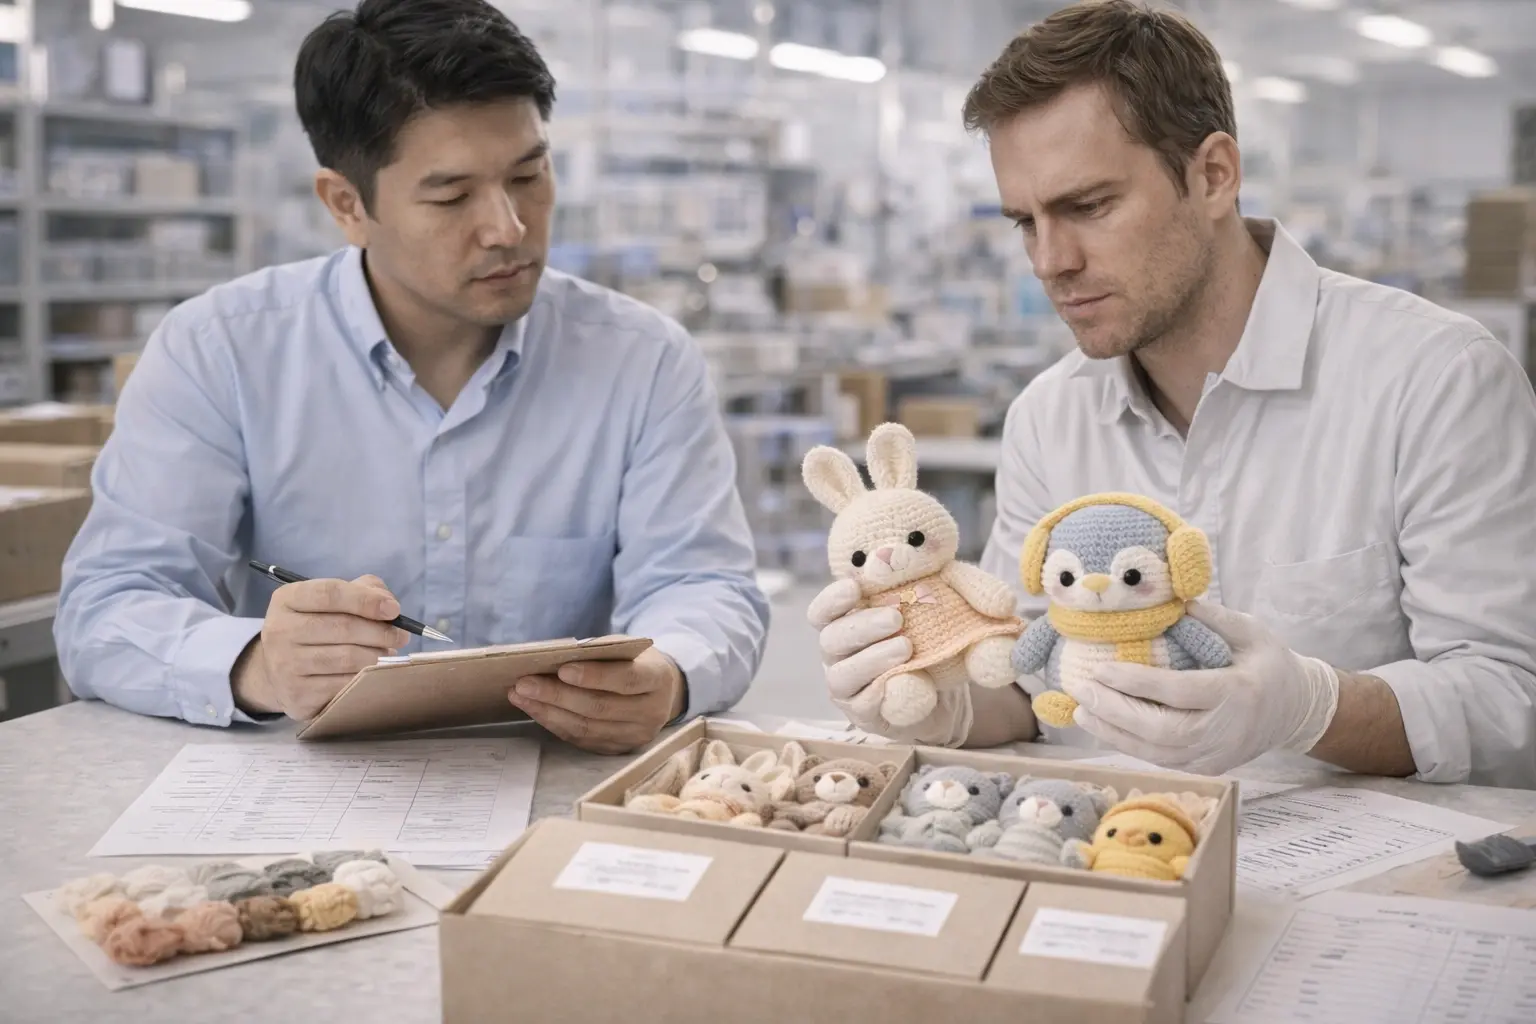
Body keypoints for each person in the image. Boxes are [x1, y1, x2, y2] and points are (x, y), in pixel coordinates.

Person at [812, 0, 1536, 789]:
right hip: (1114, 860)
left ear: (1213, 175)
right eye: (1026, 220)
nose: (1051, 260)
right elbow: (1028, 682)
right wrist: (934, 702)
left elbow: (1510, 700)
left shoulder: (1433, 378)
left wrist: (1310, 708)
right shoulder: (1051, 419)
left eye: (1088, 206)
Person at [53, 0, 770, 756]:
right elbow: (107, 607)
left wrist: (670, 674)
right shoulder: (222, 350)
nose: (508, 228)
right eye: (451, 196)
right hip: (295, 798)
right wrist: (257, 664)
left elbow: (708, 587)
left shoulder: (641, 360)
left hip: (549, 788)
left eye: (529, 175)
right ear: (346, 205)